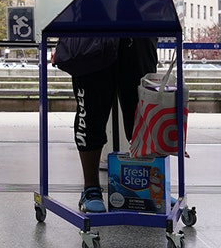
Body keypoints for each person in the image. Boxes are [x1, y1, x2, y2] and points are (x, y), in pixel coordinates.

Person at [64, 37, 158, 213]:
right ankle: (90, 188)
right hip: (92, 32)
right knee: (91, 111)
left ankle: (152, 187)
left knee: (143, 110)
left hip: (138, 32)